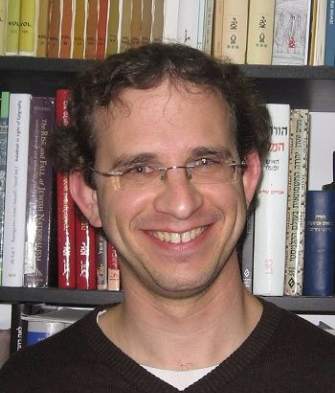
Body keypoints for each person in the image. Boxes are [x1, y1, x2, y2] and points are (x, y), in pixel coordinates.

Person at [1, 43, 335, 393]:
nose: (181, 204)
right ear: (90, 197)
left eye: (205, 162)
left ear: (249, 177)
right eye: (139, 168)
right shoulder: (27, 382)